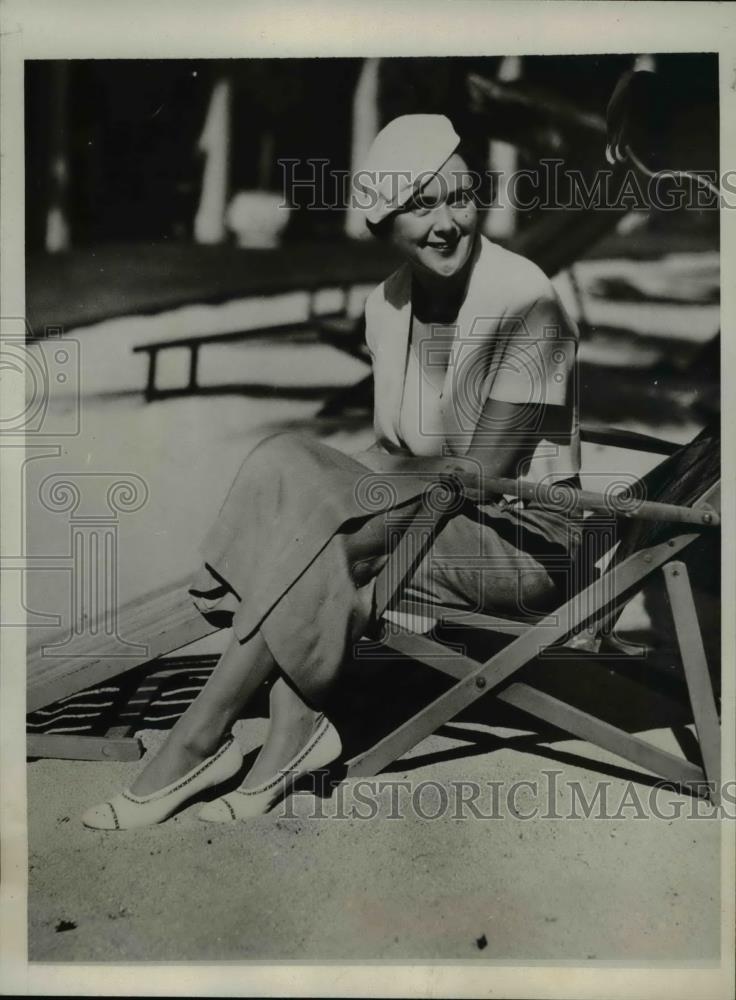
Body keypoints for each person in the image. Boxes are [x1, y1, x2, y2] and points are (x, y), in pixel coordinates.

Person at [82, 114, 581, 831]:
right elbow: (390, 450)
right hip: (438, 516)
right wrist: (325, 491)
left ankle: (201, 739)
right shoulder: (388, 305)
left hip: (526, 542)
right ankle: (292, 735)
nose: (447, 223)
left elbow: (485, 471)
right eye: (419, 204)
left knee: (324, 527)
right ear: (383, 222)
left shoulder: (525, 298)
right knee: (286, 460)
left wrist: (336, 500)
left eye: (459, 197)